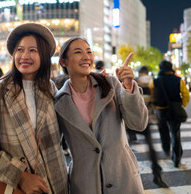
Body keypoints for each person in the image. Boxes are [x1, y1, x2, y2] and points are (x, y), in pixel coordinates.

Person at [0, 23, 68, 194]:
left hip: (57, 182)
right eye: (20, 50)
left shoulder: (50, 89)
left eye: (33, 50)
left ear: (44, 56)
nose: (25, 56)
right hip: (21, 187)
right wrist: (20, 176)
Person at [55, 37, 148, 193]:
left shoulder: (110, 84)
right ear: (64, 61)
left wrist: (128, 86)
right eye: (78, 52)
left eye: (89, 52)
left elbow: (138, 124)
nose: (86, 57)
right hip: (85, 184)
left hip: (123, 180)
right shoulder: (58, 102)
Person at [151, 60, 190, 168]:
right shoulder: (178, 80)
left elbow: (151, 94)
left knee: (163, 131)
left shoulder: (155, 81)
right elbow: (186, 94)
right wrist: (181, 105)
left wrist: (154, 106)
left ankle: (166, 148)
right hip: (174, 110)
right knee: (175, 133)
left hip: (160, 110)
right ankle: (176, 158)